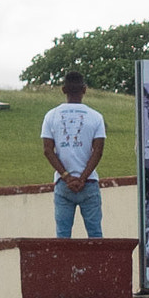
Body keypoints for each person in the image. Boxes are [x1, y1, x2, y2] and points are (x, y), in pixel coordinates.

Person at [41, 72, 105, 236]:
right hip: (89, 183)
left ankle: (63, 263)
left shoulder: (51, 116)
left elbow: (48, 150)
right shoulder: (96, 117)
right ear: (84, 89)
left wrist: (67, 176)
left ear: (63, 90)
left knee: (63, 236)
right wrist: (82, 178)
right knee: (95, 235)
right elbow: (98, 151)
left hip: (63, 184)